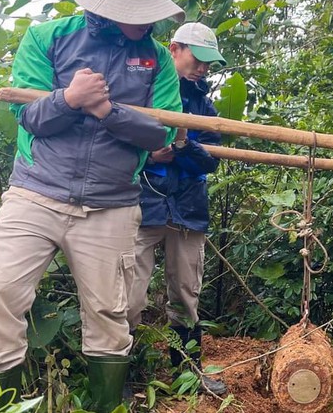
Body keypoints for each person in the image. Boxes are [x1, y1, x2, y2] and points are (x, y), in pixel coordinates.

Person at [0, 0, 184, 411]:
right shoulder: (48, 38)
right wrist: (68, 98)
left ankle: (102, 406)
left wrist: (108, 112)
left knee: (110, 315)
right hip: (36, 193)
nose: (145, 24)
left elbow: (162, 133)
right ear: (109, 6)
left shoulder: (159, 60)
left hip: (112, 204)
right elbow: (29, 116)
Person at [126, 22, 227, 395]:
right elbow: (121, 135)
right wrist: (150, 153)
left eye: (208, 63)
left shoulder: (203, 103)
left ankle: (187, 373)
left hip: (188, 208)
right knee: (129, 293)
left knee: (186, 293)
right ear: (174, 49)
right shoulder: (144, 85)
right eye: (198, 59)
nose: (203, 68)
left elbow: (211, 158)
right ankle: (124, 373)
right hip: (144, 203)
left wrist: (184, 147)